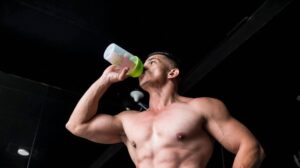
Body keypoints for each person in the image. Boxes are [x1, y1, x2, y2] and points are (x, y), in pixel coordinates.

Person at [66, 51, 265, 168]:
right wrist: (104, 81)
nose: (144, 67)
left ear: (172, 72)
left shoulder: (201, 107)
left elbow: (250, 147)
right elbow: (77, 125)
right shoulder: (127, 120)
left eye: (152, 62)